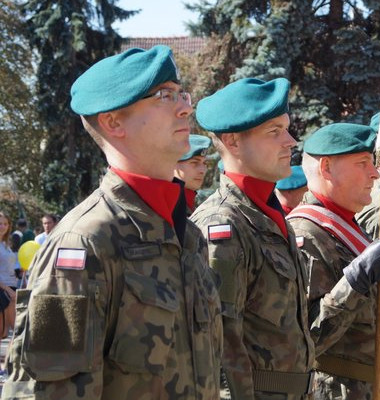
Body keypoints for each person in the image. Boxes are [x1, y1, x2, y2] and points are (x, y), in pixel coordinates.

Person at [1, 45, 223, 399]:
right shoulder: (84, 242)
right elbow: (45, 391)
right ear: (113, 122)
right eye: (165, 96)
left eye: (182, 93)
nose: (186, 106)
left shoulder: (187, 233)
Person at [190, 77, 317, 399]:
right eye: (274, 132)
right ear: (232, 141)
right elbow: (216, 347)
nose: (290, 141)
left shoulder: (268, 213)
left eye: (287, 129)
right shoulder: (223, 226)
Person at [287, 123, 380, 399]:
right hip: (339, 390)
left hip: (378, 386)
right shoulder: (306, 234)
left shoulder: (349, 227)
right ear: (326, 168)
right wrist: (356, 280)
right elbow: (308, 338)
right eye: (363, 163)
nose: (375, 173)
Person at [174, 134, 212, 214]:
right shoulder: (170, 207)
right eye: (194, 162)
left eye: (205, 163)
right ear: (173, 163)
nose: (203, 170)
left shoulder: (189, 203)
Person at [0, 212, 19, 338]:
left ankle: (9, 358)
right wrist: (8, 291)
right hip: (3, 290)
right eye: (0, 224)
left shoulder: (6, 244)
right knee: (6, 331)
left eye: (5, 224)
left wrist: (19, 271)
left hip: (12, 286)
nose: (2, 226)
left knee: (6, 332)